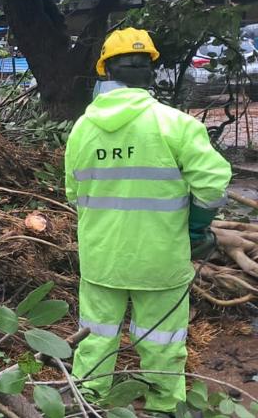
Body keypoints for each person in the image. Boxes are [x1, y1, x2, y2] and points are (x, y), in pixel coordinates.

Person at [66, 28, 231, 414]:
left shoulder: (81, 130)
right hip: (161, 261)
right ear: (151, 71)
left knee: (95, 339)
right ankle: (163, 408)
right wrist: (195, 228)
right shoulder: (176, 125)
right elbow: (213, 186)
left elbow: (74, 195)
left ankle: (87, 404)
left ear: (105, 71)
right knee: (163, 342)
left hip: (101, 259)